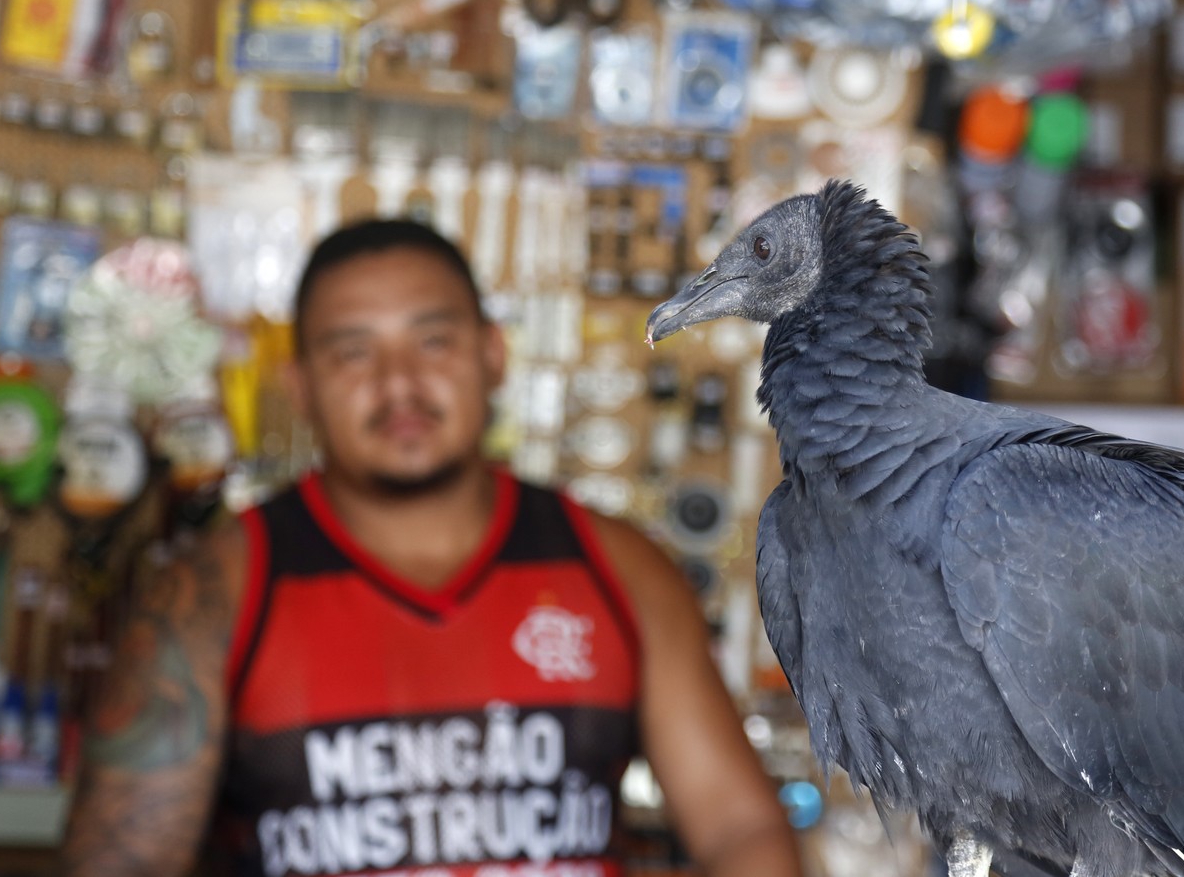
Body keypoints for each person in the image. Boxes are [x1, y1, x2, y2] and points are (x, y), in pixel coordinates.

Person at [58, 219, 802, 877]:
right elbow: (124, 859)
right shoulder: (211, 595)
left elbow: (741, 830)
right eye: (352, 353)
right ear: (302, 387)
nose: (399, 383)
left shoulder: (618, 568)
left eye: (433, 341)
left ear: (492, 355)